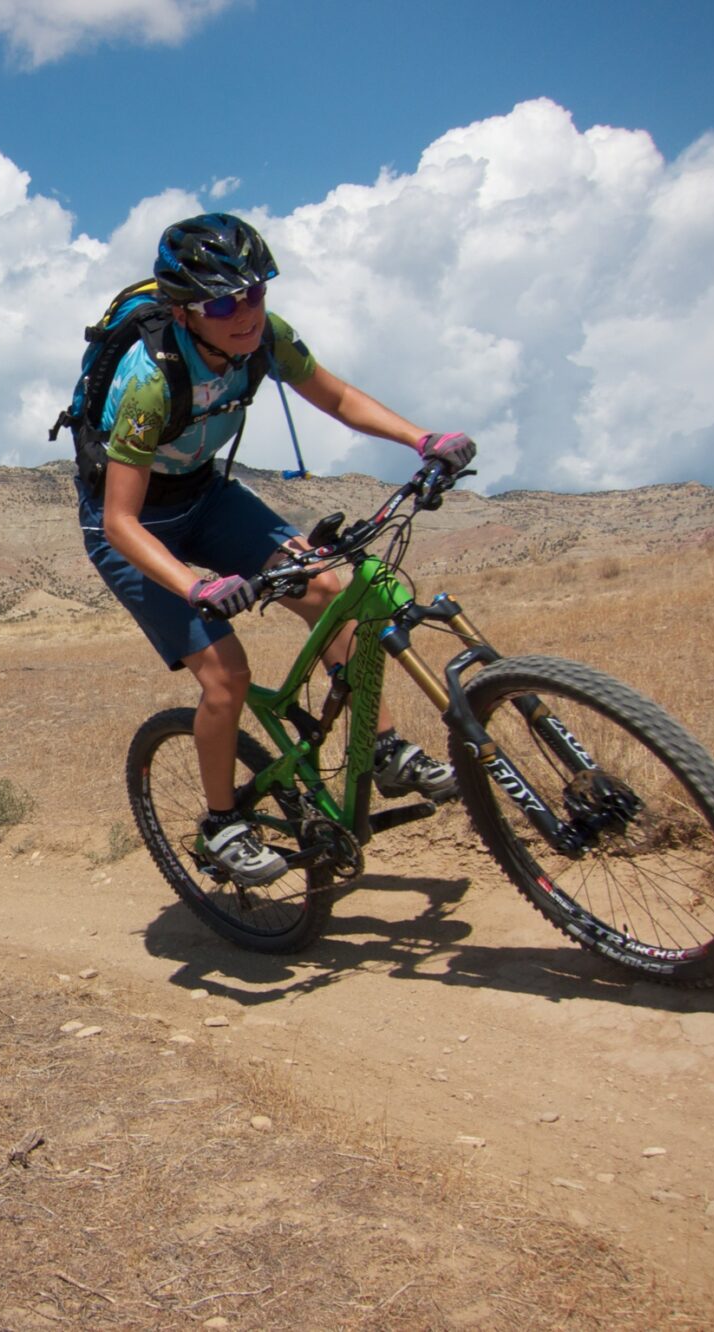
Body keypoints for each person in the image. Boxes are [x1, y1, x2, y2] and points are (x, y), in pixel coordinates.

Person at [77, 213, 476, 888]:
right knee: (225, 674)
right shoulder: (148, 379)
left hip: (206, 497)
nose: (248, 312)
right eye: (226, 302)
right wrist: (195, 586)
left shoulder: (266, 339)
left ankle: (378, 750)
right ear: (185, 311)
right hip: (138, 527)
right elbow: (120, 521)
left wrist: (421, 439)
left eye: (257, 292)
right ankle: (222, 821)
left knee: (331, 593)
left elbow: (339, 396)